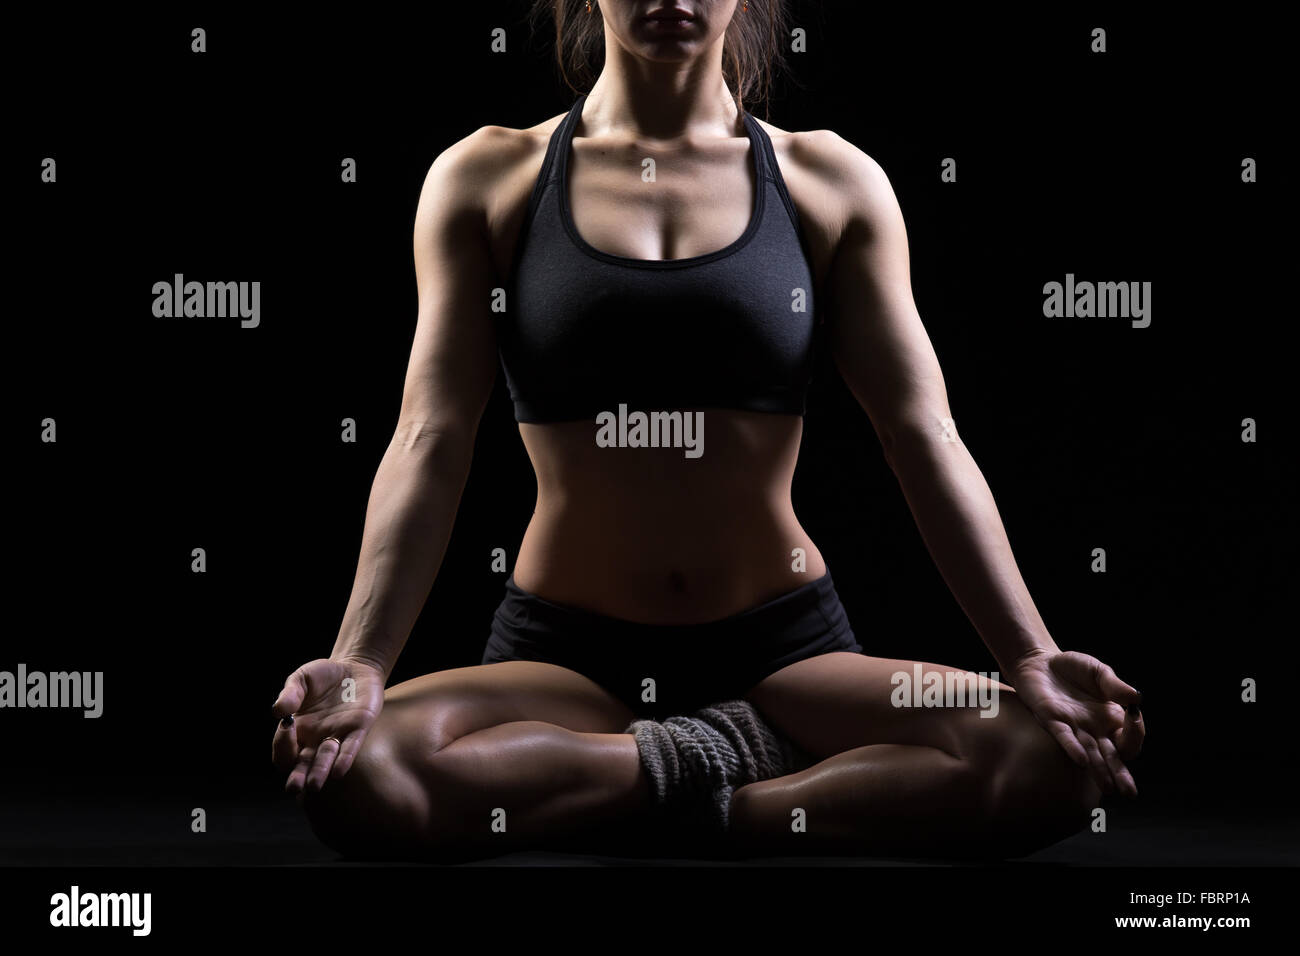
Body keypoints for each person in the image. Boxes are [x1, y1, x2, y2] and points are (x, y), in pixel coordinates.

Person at [271, 0, 1145, 862]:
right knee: (357, 776)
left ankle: (684, 787)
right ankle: (723, 760)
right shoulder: (488, 175)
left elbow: (924, 436)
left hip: (784, 653)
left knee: (1054, 762)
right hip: (564, 657)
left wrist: (1030, 655)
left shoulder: (827, 179)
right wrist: (361, 662)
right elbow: (430, 438)